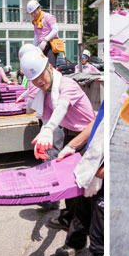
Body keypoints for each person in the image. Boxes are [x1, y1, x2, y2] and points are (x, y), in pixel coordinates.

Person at [19, 50, 95, 213]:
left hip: (89, 134)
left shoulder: (67, 84)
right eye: (34, 80)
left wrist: (49, 129)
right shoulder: (45, 95)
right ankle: (69, 216)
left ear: (49, 67)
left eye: (41, 76)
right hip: (70, 134)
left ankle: (79, 222)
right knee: (68, 179)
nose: (39, 82)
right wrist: (43, 136)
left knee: (82, 182)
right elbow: (47, 120)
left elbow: (62, 106)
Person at [51, 102, 104, 256]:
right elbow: (98, 121)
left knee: (100, 235)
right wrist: (72, 146)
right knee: (82, 206)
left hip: (106, 171)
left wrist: (100, 174)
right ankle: (76, 242)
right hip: (93, 162)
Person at [28, 0, 61, 67]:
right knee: (41, 66)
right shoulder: (35, 22)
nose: (33, 15)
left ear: (39, 9)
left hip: (51, 44)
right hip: (42, 46)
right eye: (31, 13)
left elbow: (55, 29)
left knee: (50, 65)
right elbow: (37, 36)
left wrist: (45, 40)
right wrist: (33, 48)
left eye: (34, 12)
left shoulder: (47, 17)